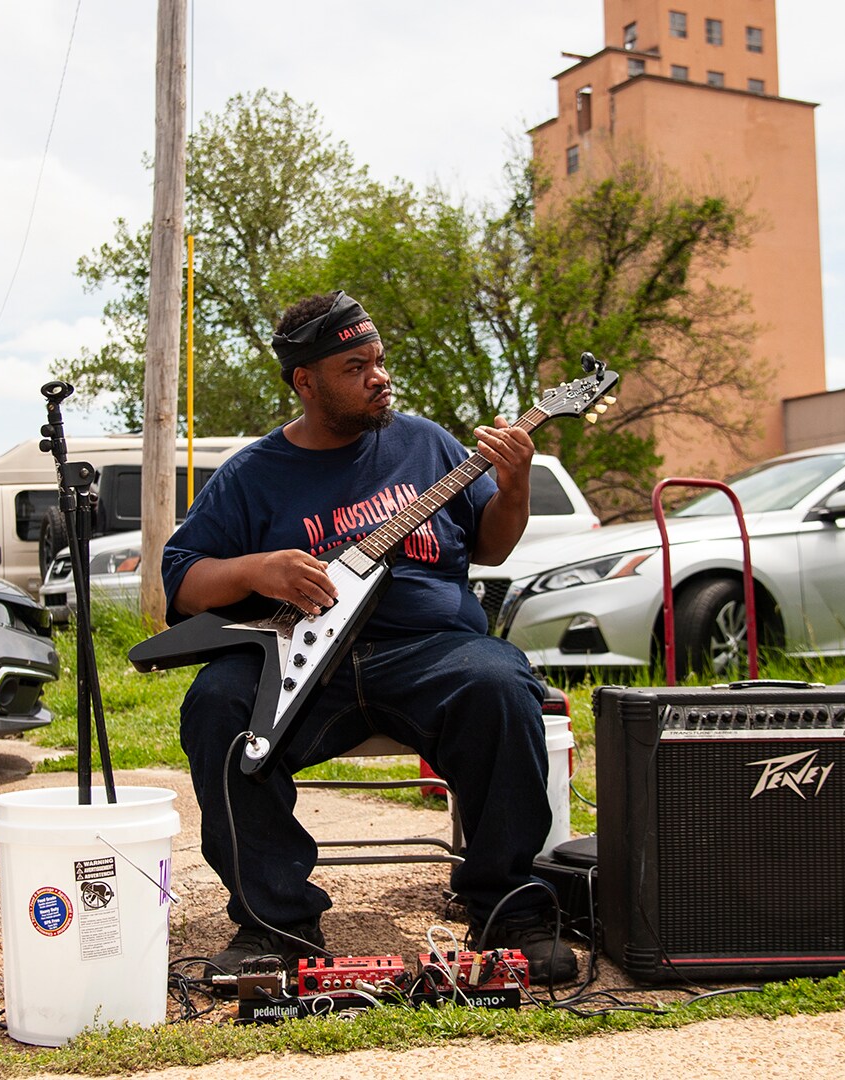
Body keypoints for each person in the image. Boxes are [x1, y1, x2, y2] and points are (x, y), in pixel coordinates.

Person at [160, 289, 578, 985]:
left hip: (432, 654)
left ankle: (508, 909)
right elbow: (182, 581)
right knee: (218, 705)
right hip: (307, 664)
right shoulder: (252, 475)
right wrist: (259, 568)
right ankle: (275, 922)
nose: (378, 376)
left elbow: (493, 547)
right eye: (355, 366)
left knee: (500, 684)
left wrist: (514, 486)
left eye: (379, 360)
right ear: (306, 381)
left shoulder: (427, 444)